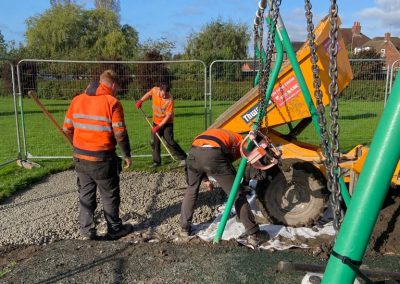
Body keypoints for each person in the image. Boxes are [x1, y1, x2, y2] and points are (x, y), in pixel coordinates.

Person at [62, 70, 133, 240]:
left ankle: (86, 231)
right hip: (103, 159)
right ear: (113, 85)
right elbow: (120, 134)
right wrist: (127, 154)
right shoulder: (112, 102)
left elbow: (66, 128)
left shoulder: (77, 100)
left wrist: (78, 145)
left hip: (80, 158)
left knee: (86, 194)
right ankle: (114, 229)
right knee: (109, 195)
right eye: (117, 87)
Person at [180, 128, 270, 245]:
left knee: (191, 190)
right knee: (236, 193)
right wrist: (242, 184)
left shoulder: (222, 133)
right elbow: (242, 163)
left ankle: (184, 229)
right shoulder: (242, 142)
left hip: (193, 152)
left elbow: (201, 157)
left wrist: (206, 179)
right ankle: (254, 234)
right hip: (213, 154)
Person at [135, 83, 187, 167]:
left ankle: (184, 158)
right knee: (155, 142)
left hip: (167, 123)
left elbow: (168, 116)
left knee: (169, 141)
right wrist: (141, 101)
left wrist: (159, 126)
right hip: (156, 121)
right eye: (163, 94)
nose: (164, 96)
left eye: (166, 94)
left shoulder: (169, 100)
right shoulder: (155, 90)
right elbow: (149, 94)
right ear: (160, 89)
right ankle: (156, 162)